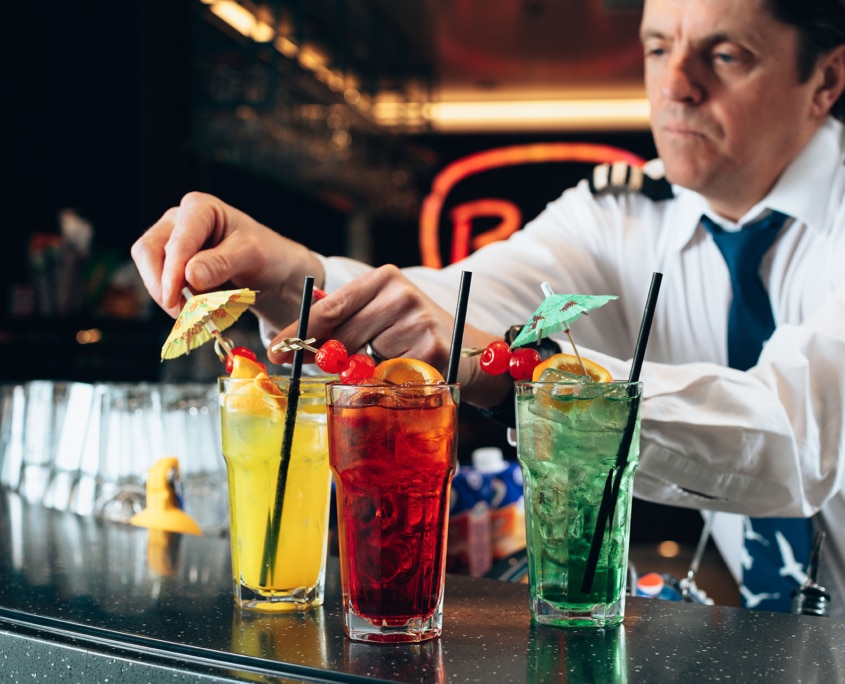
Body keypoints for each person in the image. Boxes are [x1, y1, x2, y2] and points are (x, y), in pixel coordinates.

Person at [132, 0, 845, 614]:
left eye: (724, 55)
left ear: (825, 80)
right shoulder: (620, 214)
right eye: (658, 47)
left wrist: (527, 373)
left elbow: (799, 433)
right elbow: (465, 298)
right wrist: (296, 278)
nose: (676, 85)